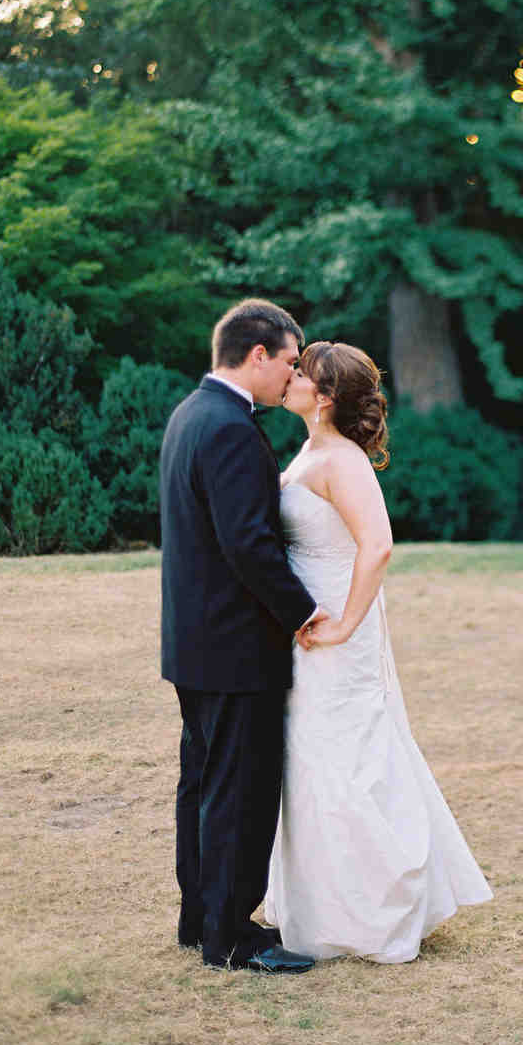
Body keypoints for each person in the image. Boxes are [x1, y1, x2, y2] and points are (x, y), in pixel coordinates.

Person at [264, 340, 493, 962]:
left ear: (327, 396)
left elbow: (378, 546)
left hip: (339, 626)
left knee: (345, 754)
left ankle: (372, 912)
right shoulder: (310, 449)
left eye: (301, 374)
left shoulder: (342, 461)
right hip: (309, 623)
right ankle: (322, 906)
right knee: (311, 758)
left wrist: (343, 626)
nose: (289, 378)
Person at [160, 298, 336, 974]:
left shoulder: (189, 414)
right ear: (257, 354)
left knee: (203, 782)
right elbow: (249, 544)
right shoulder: (230, 427)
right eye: (290, 360)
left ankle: (200, 917)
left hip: (194, 641)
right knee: (239, 789)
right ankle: (233, 935)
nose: (294, 373)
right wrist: (303, 611)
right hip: (236, 646)